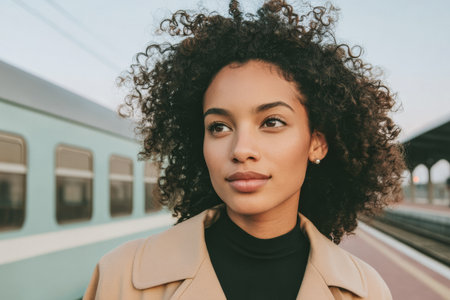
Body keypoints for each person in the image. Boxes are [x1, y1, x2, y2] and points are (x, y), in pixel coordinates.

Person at [83, 1, 405, 299]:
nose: (241, 150)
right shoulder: (121, 276)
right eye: (219, 127)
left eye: (272, 122)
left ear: (316, 143)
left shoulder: (366, 292)